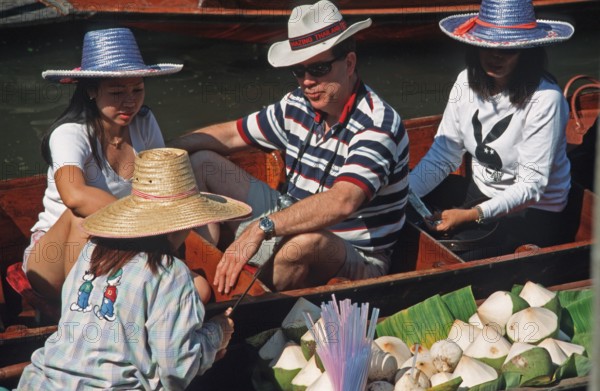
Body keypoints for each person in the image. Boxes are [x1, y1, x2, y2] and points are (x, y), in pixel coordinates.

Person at [171, 0, 409, 294]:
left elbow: (342, 201)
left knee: (307, 243)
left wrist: (263, 227)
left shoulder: (377, 125)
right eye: (299, 70)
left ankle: (239, 297)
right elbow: (231, 134)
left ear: (349, 63)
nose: (308, 81)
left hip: (354, 252)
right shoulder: (297, 103)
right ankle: (204, 268)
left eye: (319, 68)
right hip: (289, 212)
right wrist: (168, 151)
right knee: (200, 162)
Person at [17, 147, 251, 390]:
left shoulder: (92, 250)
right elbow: (177, 371)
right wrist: (217, 333)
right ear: (187, 221)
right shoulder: (171, 273)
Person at [23, 28, 183, 304]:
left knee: (186, 210)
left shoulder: (145, 122)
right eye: (117, 92)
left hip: (123, 246)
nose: (130, 101)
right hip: (55, 259)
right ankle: (78, 310)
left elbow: (166, 186)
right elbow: (75, 195)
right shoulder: (70, 133)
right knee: (82, 217)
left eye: (137, 89)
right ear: (91, 90)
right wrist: (140, 228)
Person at [408, 0, 575, 260]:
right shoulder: (465, 81)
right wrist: (406, 195)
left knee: (450, 250)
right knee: (403, 208)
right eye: (488, 45)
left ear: (526, 51)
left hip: (533, 214)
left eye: (507, 49)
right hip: (481, 192)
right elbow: (444, 154)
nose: (496, 55)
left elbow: (531, 186)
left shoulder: (546, 99)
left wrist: (470, 216)